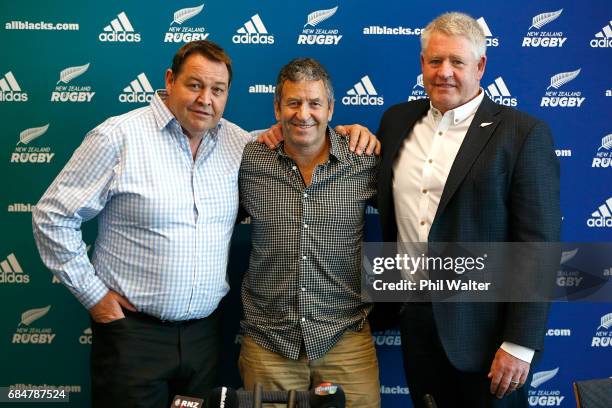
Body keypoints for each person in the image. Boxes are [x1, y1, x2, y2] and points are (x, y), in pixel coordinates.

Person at [32, 40, 378, 408]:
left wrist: (356, 132)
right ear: (170, 80)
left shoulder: (241, 144)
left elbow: (304, 135)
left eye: (217, 89)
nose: (205, 99)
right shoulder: (121, 137)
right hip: (138, 334)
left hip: (210, 338)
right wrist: (96, 299)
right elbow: (51, 216)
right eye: (194, 85)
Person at [375, 12, 561, 408]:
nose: (444, 72)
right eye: (434, 61)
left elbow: (538, 247)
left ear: (480, 66)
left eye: (457, 62)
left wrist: (520, 343)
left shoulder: (522, 134)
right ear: (422, 64)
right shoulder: (395, 121)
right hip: (415, 321)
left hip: (487, 339)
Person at [238, 58, 380, 408]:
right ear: (277, 107)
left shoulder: (364, 160)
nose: (304, 114)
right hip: (269, 343)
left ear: (330, 108)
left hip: (345, 338)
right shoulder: (251, 160)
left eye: (315, 103)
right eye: (293, 103)